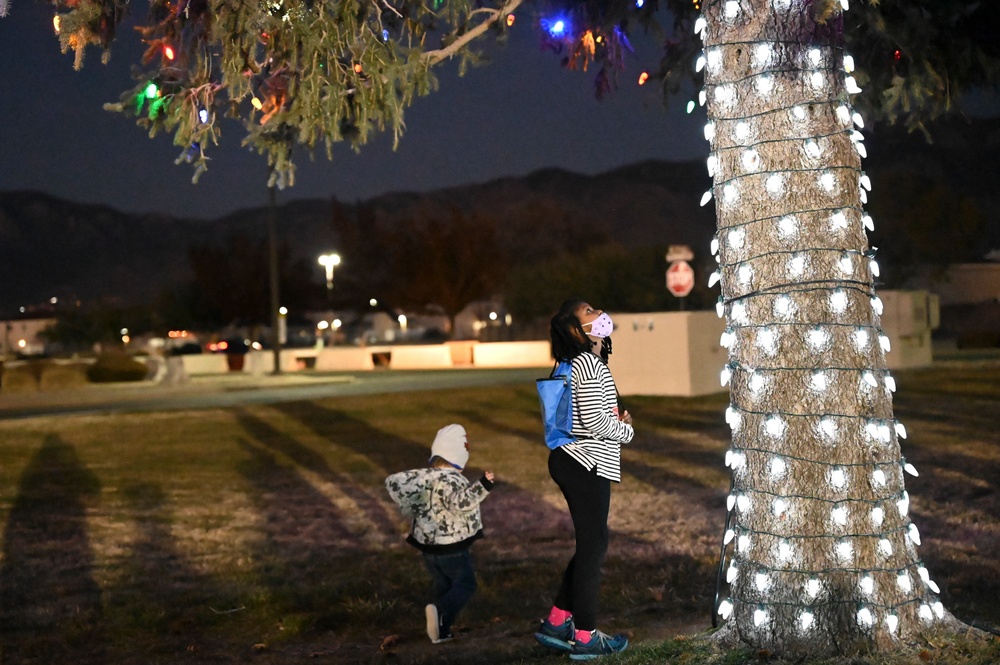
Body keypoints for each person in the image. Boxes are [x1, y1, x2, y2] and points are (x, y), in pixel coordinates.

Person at [534, 299, 634, 661]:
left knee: (590, 544)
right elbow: (594, 423)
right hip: (585, 462)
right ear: (577, 329)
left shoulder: (568, 364)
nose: (600, 314)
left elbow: (585, 413)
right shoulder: (589, 363)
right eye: (590, 312)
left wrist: (612, 419)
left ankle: (558, 621)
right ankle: (586, 636)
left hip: (570, 460)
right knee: (594, 547)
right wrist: (625, 430)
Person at [384, 424, 495, 644]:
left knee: (444, 586)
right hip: (451, 547)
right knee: (466, 584)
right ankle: (439, 610)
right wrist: (482, 486)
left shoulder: (427, 479)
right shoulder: (451, 480)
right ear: (458, 456)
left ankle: (440, 631)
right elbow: (460, 503)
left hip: (429, 550)